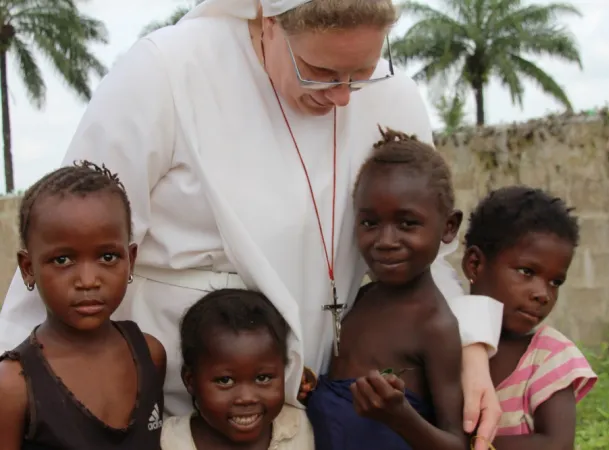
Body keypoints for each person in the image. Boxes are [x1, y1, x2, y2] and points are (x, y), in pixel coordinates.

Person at [0, 0, 503, 446]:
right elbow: (67, 232)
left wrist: (472, 349)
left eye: (362, 73)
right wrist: (24, 381)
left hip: (326, 403)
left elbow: (430, 259)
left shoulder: (393, 97)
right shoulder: (166, 73)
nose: (344, 96)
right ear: (266, 21)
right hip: (187, 400)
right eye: (319, 71)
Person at [307, 128, 469, 450]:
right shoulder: (362, 298)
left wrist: (401, 417)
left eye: (407, 223)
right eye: (370, 223)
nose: (385, 242)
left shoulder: (434, 326)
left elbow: (457, 444)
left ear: (448, 227)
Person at [0, 162, 167, 449]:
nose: (88, 281)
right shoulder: (13, 385)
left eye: (107, 257)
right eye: (63, 260)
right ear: (28, 268)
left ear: (131, 260)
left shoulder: (150, 355)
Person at [461, 186, 598, 449]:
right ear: (475, 264)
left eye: (555, 282)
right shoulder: (446, 343)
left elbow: (557, 444)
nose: (543, 294)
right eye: (526, 271)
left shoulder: (549, 356)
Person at [161, 288, 314, 449]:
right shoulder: (169, 442)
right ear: (190, 381)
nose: (247, 398)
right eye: (225, 380)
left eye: (263, 378)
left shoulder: (305, 430)